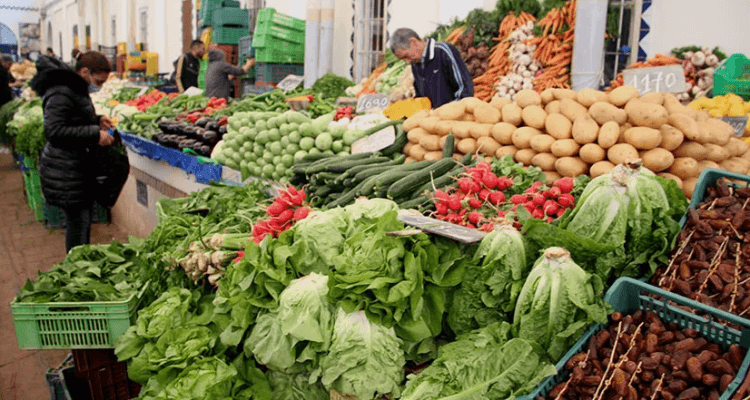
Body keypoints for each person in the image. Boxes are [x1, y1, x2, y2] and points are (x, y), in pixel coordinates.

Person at [29, 51, 115, 252]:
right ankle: (75, 271)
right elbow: (55, 131)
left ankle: (78, 265)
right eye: (98, 81)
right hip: (65, 171)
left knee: (81, 223)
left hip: (74, 167)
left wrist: (96, 119)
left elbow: (73, 118)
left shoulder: (74, 88)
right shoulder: (61, 91)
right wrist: (95, 134)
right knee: (78, 225)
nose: (99, 86)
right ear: (85, 71)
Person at [390, 28, 474, 108]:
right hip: (433, 119)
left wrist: (453, 111)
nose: (407, 62)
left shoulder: (443, 51)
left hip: (453, 117)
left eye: (406, 56)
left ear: (413, 42)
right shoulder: (415, 63)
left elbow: (465, 87)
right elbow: (421, 97)